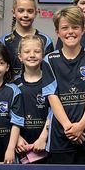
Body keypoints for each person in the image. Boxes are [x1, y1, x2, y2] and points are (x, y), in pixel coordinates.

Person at [41, 6, 85, 165]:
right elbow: (52, 96)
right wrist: (69, 128)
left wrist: (81, 125)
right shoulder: (49, 60)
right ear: (57, 32)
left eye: (75, 27)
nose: (70, 32)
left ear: (83, 30)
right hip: (60, 134)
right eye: (65, 28)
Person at [14, 35, 50, 163]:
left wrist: (43, 138)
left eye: (37, 51)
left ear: (43, 55)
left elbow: (54, 112)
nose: (32, 55)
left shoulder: (50, 81)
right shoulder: (13, 84)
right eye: (27, 52)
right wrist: (17, 138)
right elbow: (8, 115)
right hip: (21, 144)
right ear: (20, 56)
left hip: (46, 142)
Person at [0, 0, 54, 78]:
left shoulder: (45, 40)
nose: (25, 15)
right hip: (10, 85)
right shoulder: (4, 41)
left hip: (38, 85)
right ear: (14, 13)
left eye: (30, 11)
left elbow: (50, 71)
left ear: (36, 13)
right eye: (21, 11)